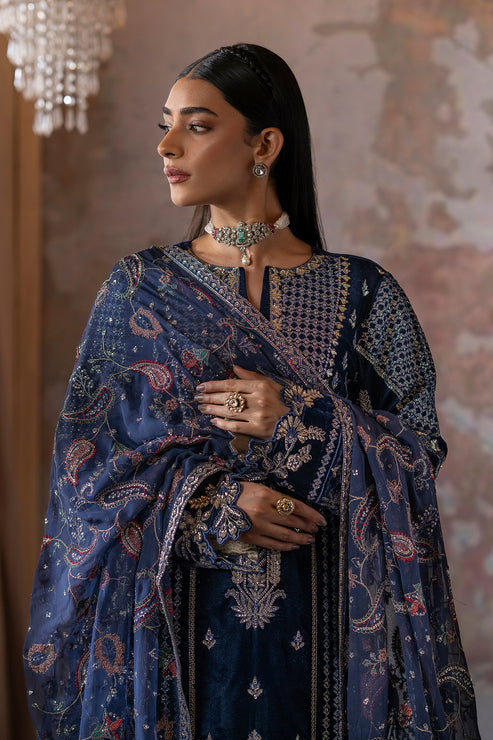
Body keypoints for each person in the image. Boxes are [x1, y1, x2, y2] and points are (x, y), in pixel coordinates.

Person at [24, 44, 480, 739]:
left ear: (264, 144)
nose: (167, 146)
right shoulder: (139, 288)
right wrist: (208, 504)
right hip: (176, 648)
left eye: (197, 126)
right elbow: (87, 472)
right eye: (166, 125)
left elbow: (417, 455)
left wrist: (303, 420)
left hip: (334, 650)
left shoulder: (365, 293)